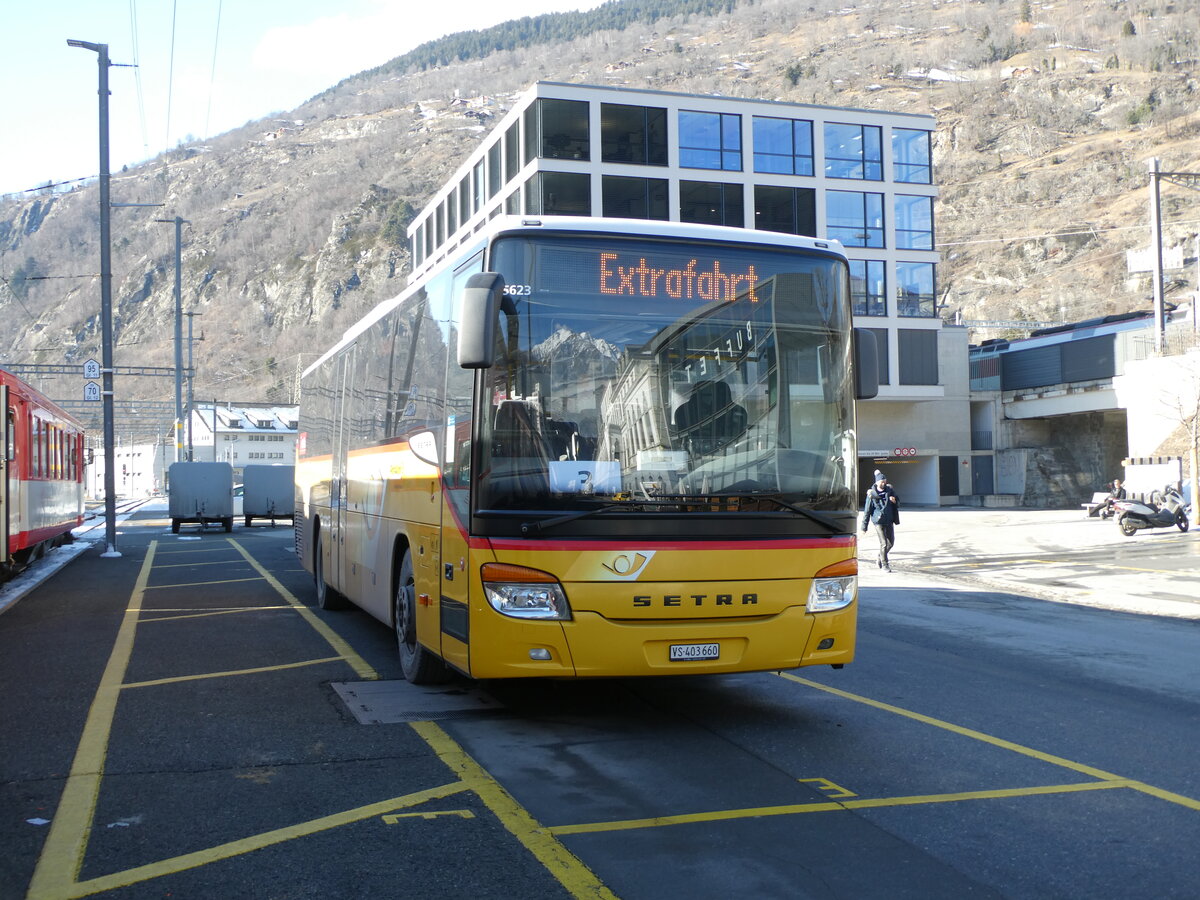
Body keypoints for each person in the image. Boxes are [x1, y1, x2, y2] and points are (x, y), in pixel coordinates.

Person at [861, 469, 900, 571]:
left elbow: (899, 503)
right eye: (881, 481)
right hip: (878, 521)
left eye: (884, 481)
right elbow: (867, 511)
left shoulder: (890, 491)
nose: (883, 483)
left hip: (889, 520)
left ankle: (880, 556)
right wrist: (864, 527)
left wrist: (894, 501)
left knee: (891, 543)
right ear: (877, 482)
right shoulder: (872, 494)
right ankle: (885, 564)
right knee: (883, 543)